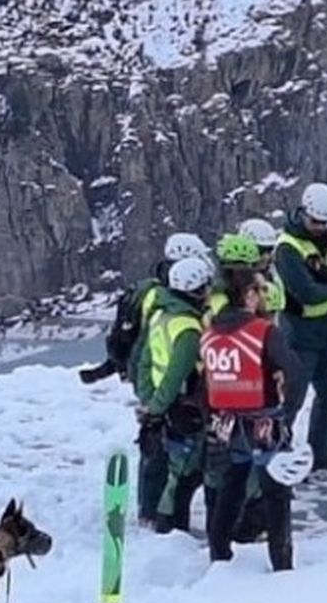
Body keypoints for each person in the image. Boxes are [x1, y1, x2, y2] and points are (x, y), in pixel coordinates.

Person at [199, 263, 305, 569]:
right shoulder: (262, 331)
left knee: (230, 489)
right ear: (247, 294)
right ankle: (282, 563)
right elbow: (295, 371)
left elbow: (205, 382)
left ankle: (219, 555)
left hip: (227, 423)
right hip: (264, 421)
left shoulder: (210, 334)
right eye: (259, 289)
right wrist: (287, 411)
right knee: (276, 493)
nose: (263, 295)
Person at [272, 182, 327, 480]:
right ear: (304, 213)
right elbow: (308, 293)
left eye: (325, 222)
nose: (320, 227)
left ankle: (320, 460)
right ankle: (277, 459)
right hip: (299, 333)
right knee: (291, 401)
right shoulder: (288, 249)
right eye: (316, 222)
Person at [137, 256, 213, 534]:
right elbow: (176, 375)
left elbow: (145, 361)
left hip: (161, 403)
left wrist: (149, 401)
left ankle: (153, 514)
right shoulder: (189, 329)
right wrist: (158, 408)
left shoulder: (161, 315)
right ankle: (170, 524)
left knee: (162, 463)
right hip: (181, 405)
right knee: (182, 471)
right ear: (198, 290)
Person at [95, 232, 207, 386]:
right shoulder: (164, 298)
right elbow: (145, 342)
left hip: (156, 376)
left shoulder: (155, 290)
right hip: (165, 381)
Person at [237, 218, 286, 315]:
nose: (266, 256)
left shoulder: (276, 273)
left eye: (269, 250)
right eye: (261, 250)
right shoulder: (234, 281)